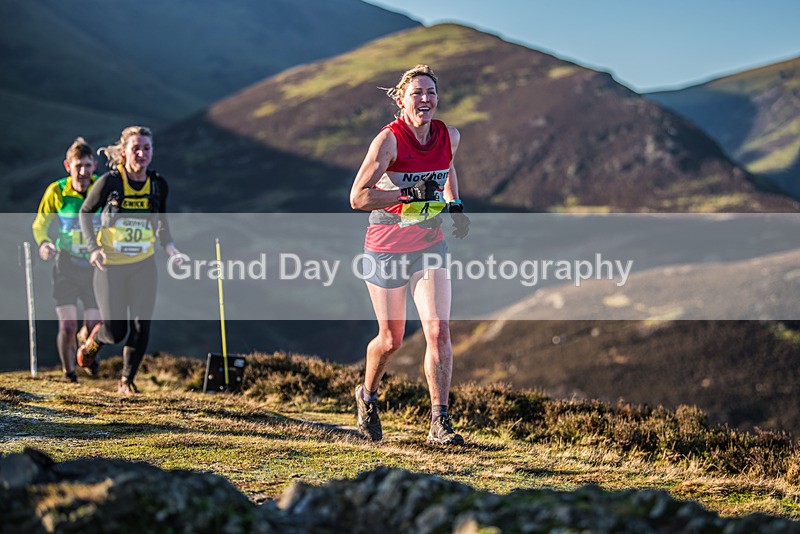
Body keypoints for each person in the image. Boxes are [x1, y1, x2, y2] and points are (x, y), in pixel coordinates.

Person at [349, 65, 471, 445]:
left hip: (429, 244)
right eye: (417, 92)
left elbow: (446, 168)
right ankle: (367, 396)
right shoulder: (389, 141)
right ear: (401, 100)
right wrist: (407, 196)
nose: (425, 98)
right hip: (385, 246)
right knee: (391, 340)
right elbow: (357, 198)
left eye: (431, 92)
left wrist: (454, 205)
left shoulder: (448, 135)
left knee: (438, 329)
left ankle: (440, 422)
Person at [77, 126, 182, 395]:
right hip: (110, 265)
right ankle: (92, 342)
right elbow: (86, 212)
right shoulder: (111, 182)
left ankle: (126, 381)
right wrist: (93, 248)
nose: (142, 153)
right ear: (123, 152)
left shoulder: (158, 184)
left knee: (141, 325)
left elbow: (162, 223)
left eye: (147, 148)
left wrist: (171, 249)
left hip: (143, 265)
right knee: (115, 332)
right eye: (136, 148)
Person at [32, 137, 102, 383]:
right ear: (67, 166)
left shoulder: (101, 188)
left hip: (95, 267)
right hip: (66, 264)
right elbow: (41, 224)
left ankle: (87, 354)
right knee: (67, 326)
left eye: (87, 166)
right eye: (77, 166)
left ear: (94, 165)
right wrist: (43, 243)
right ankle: (69, 374)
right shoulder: (57, 190)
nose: (83, 172)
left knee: (95, 325)